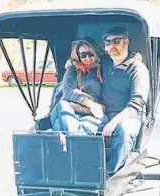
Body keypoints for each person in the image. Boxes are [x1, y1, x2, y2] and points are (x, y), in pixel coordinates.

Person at [82, 27, 150, 176]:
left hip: (130, 117)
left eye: (116, 41)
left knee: (123, 131)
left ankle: (111, 174)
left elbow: (136, 104)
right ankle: (85, 170)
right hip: (105, 114)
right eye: (108, 42)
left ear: (126, 42)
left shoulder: (137, 69)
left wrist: (114, 122)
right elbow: (86, 58)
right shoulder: (105, 62)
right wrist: (71, 62)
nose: (111, 46)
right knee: (82, 127)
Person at [51, 38, 108, 133]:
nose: (88, 59)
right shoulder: (73, 69)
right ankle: (75, 136)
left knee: (58, 125)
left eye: (91, 54)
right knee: (63, 105)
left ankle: (71, 138)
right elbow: (68, 91)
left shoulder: (105, 66)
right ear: (78, 56)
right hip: (68, 109)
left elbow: (121, 59)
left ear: (96, 52)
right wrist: (91, 104)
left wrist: (135, 57)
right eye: (83, 55)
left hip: (90, 114)